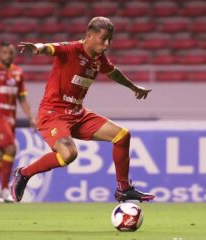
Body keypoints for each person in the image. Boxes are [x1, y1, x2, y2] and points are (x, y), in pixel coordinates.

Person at [11, 16, 155, 203]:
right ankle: (24, 173)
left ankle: (123, 189)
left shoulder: (98, 59)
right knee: (69, 155)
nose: (107, 43)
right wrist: (37, 48)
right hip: (54, 113)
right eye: (103, 38)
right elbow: (50, 48)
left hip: (78, 113)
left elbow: (113, 72)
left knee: (122, 136)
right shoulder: (72, 49)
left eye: (110, 39)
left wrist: (134, 87)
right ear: (89, 36)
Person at [0, 41, 36, 203]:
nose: (7, 55)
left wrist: (31, 116)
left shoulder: (18, 72)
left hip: (11, 117)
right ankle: (4, 188)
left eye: (10, 52)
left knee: (0, 152)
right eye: (4, 52)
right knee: (11, 148)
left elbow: (22, 98)